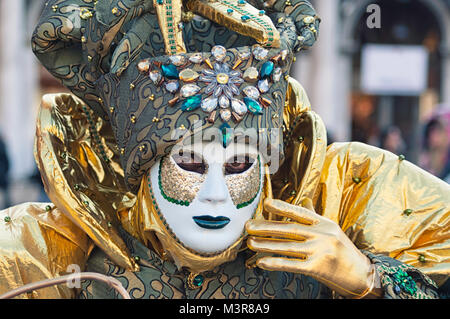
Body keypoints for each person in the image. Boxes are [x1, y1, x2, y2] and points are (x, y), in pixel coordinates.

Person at [0, 0, 448, 299]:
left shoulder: (340, 203)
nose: (216, 194)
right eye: (190, 163)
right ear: (141, 171)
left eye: (238, 165)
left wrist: (367, 278)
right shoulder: (48, 253)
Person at [419, 117, 450, 182]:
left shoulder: (447, 154)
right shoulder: (426, 156)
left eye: (437, 133)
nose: (434, 137)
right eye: (431, 133)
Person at [0, 136, 10, 210]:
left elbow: (6, 160)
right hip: (3, 173)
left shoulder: (2, 144)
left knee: (6, 196)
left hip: (2, 174)